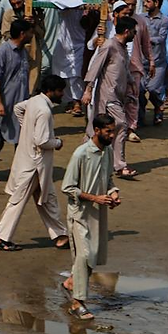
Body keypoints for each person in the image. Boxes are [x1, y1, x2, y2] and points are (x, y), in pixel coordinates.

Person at [0, 74, 68, 252]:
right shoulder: (44, 111)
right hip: (34, 166)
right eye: (59, 91)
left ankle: (61, 236)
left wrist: (27, 128)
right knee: (18, 201)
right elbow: (42, 141)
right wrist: (58, 142)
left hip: (33, 163)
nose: (62, 94)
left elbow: (18, 108)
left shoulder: (34, 101)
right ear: (50, 91)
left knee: (47, 199)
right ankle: (0, 238)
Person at [61, 113, 121, 321]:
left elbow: (109, 179)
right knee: (85, 255)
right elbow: (67, 187)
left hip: (98, 213)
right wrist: (94, 197)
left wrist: (113, 194)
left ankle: (71, 281)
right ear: (96, 131)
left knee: (91, 256)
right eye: (108, 131)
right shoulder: (81, 154)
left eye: (113, 131)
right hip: (79, 214)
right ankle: (77, 303)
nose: (112, 135)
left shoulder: (108, 151)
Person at [82, 16, 136, 179]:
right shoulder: (109, 46)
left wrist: (131, 84)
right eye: (133, 31)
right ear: (127, 31)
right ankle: (119, 165)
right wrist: (88, 90)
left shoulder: (122, 48)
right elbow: (95, 68)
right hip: (107, 95)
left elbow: (124, 69)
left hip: (118, 95)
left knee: (94, 128)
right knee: (120, 124)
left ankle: (83, 158)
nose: (135, 34)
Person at [0, 19, 32, 184]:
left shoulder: (23, 52)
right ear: (22, 34)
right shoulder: (2, 51)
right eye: (29, 32)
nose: (31, 35)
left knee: (21, 139)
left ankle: (19, 171)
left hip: (20, 106)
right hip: (3, 104)